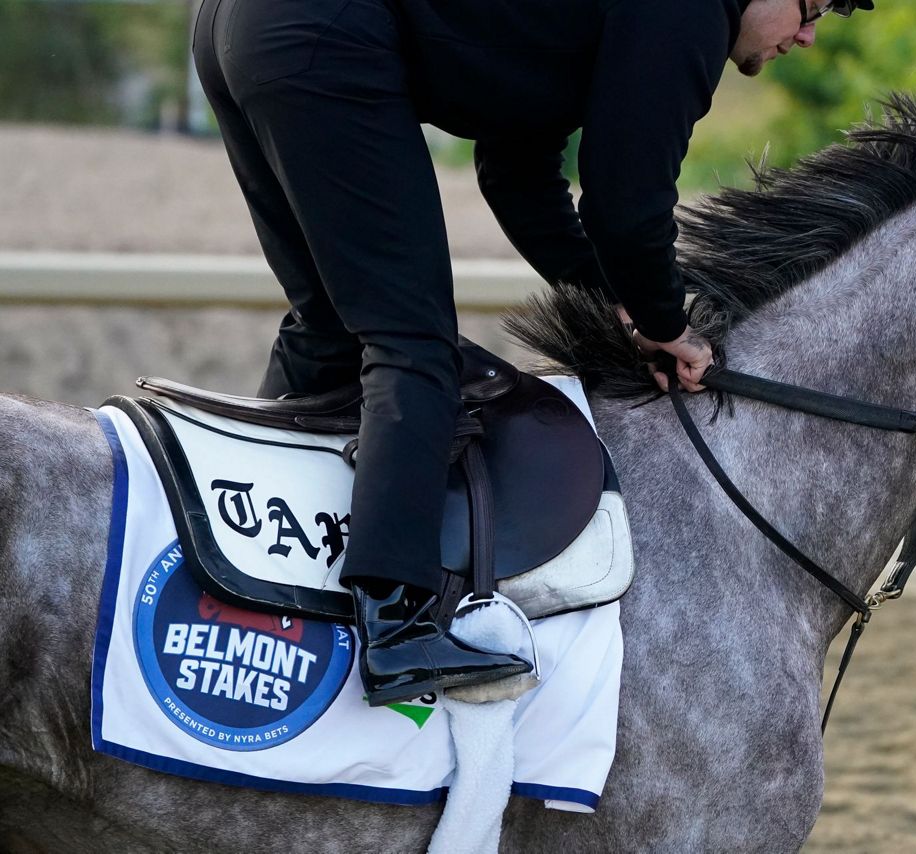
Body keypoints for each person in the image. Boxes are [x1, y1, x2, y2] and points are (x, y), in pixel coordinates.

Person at [191, 0, 872, 706]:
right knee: (412, 344)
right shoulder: (691, 13)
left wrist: (622, 308)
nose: (808, 34)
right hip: (317, 33)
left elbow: (517, 177)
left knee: (331, 325)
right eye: (811, 5)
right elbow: (627, 206)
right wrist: (667, 320)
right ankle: (395, 625)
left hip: (235, 25)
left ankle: (237, 556)